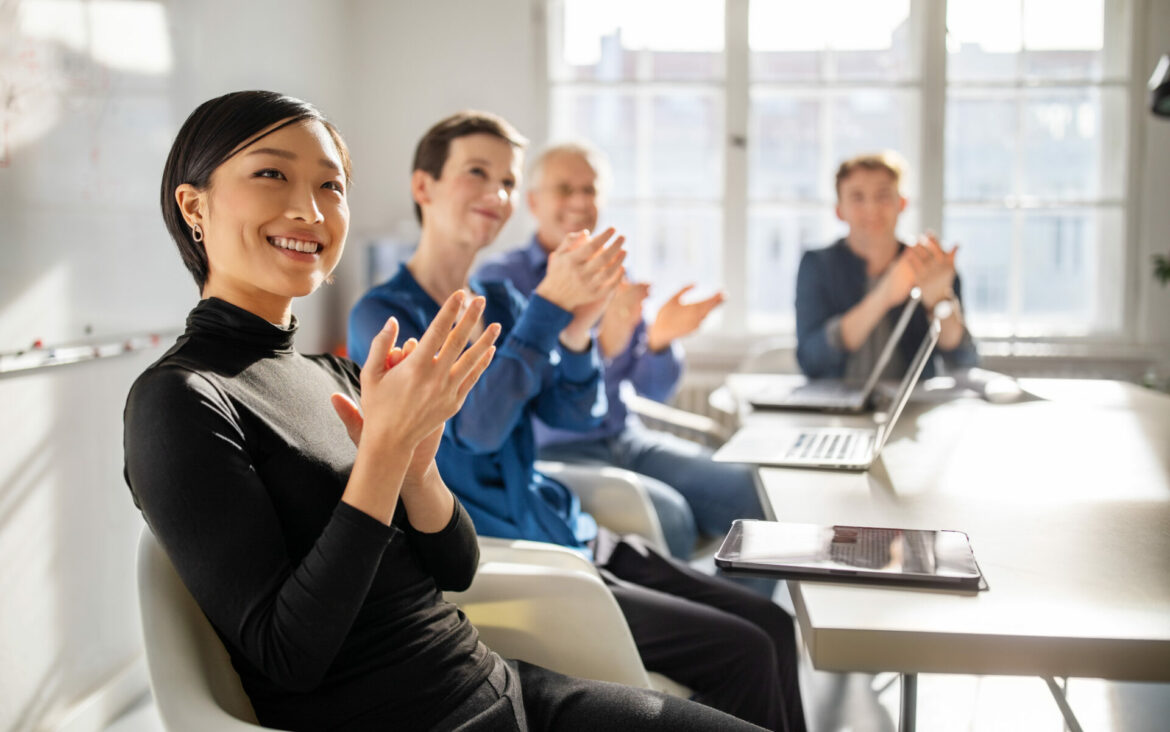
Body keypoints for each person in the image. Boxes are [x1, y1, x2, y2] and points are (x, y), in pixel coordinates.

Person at [124, 91, 765, 732]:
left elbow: (457, 567)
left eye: (332, 185)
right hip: (432, 717)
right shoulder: (180, 399)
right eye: (271, 173)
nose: (311, 208)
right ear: (194, 206)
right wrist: (383, 454)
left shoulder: (335, 372)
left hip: (504, 684)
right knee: (746, 652)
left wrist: (418, 466)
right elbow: (291, 655)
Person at [348, 112, 807, 732]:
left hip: (571, 530)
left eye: (507, 181)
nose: (497, 194)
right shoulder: (387, 313)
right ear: (423, 186)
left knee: (775, 625)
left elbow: (574, 411)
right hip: (519, 559)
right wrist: (548, 313)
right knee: (746, 650)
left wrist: (581, 327)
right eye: (477, 173)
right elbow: (472, 434)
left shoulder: (505, 303)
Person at [476, 143, 767, 559]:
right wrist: (603, 348)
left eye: (590, 190)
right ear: (534, 202)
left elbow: (653, 390)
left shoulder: (614, 272)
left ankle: (737, 617)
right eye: (565, 189)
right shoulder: (500, 280)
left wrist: (661, 341)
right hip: (554, 451)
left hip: (626, 439)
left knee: (753, 494)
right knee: (672, 518)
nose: (580, 201)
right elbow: (513, 395)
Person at [795, 151, 979, 381]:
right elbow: (811, 360)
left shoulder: (929, 265)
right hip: (834, 409)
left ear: (902, 203)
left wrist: (940, 301)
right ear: (839, 210)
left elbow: (964, 361)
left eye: (883, 196)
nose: (871, 209)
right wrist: (886, 294)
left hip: (911, 408)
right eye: (857, 197)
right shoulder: (817, 266)